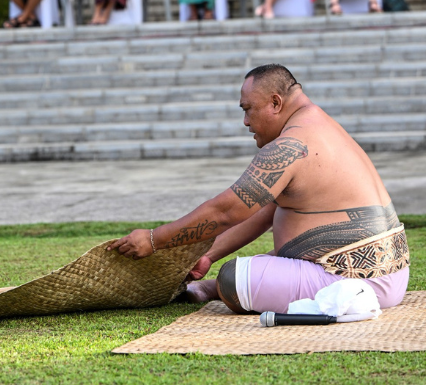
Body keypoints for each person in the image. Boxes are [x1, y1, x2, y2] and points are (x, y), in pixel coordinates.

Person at [109, 64, 408, 316]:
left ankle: (216, 288)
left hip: (358, 281)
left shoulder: (292, 145)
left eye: (249, 109)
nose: (245, 121)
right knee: (256, 264)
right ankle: (212, 285)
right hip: (387, 273)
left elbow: (225, 211)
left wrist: (153, 239)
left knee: (232, 278)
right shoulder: (319, 125)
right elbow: (268, 210)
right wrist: (208, 255)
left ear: (275, 103)